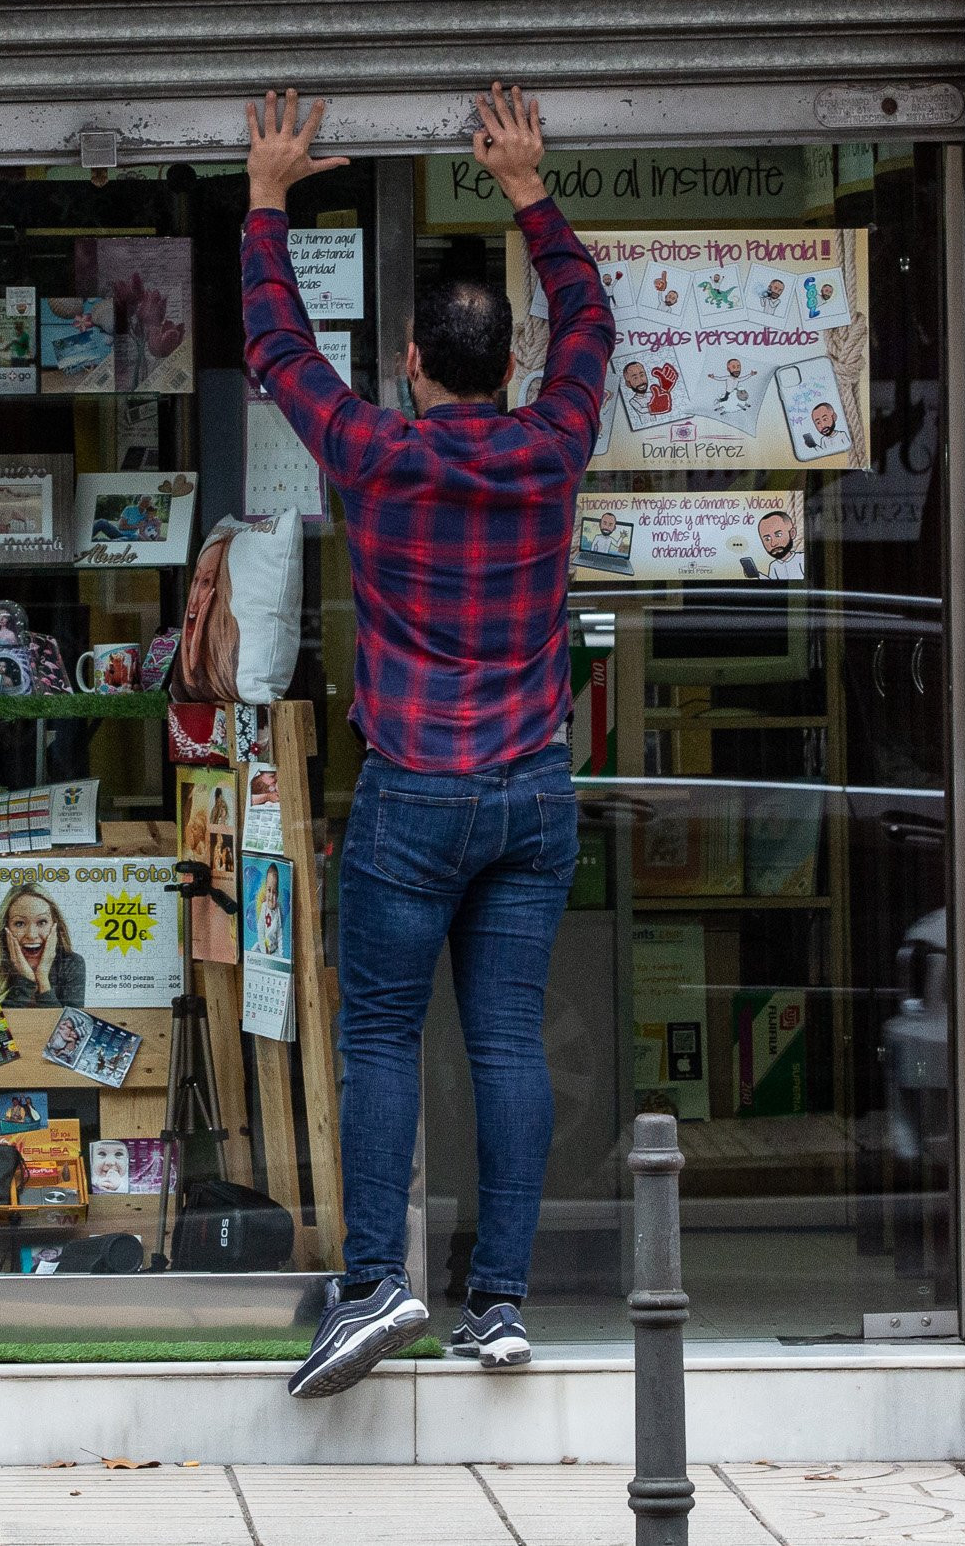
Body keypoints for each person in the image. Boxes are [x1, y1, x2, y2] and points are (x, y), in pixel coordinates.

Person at [240, 85, 610, 1399]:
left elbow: (277, 350)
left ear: (408, 359)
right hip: (531, 794)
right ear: (505, 366)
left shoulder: (375, 455)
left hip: (414, 800)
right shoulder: (551, 443)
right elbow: (594, 327)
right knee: (506, 1036)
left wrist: (268, 193)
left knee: (384, 1037)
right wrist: (529, 189)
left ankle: (370, 1287)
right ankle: (499, 1301)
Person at [0, 883, 86, 1008]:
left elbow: (67, 1026)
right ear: (5, 927)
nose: (31, 935)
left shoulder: (72, 963)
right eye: (19, 923)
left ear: (54, 925)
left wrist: (42, 979)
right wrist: (26, 982)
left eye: (42, 922)